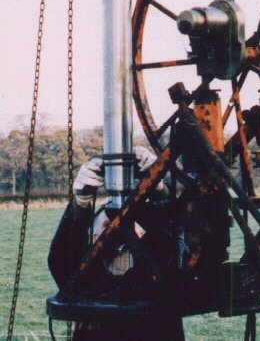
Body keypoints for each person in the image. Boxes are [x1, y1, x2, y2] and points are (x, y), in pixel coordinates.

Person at [48, 146, 185, 341]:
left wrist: (159, 191)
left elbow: (170, 246)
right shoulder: (87, 276)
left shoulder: (159, 265)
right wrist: (80, 204)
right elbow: (61, 260)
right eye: (105, 225)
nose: (111, 229)